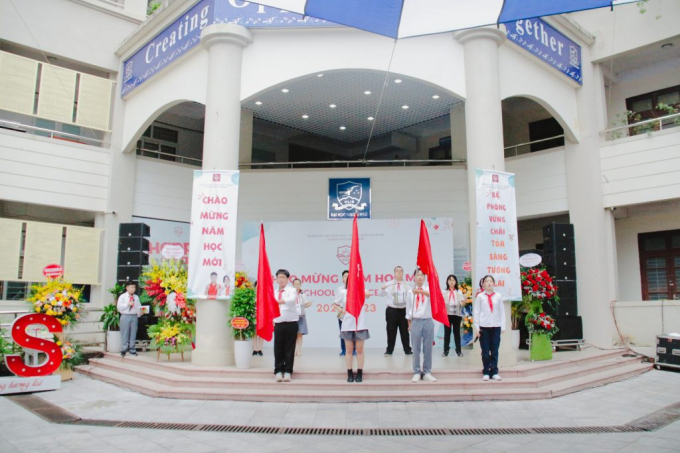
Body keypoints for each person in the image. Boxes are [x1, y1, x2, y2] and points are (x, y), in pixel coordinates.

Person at [473, 275, 506, 382]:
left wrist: (503, 326)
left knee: (495, 350)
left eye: (490, 281)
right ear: (483, 284)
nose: (488, 283)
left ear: (493, 283)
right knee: (485, 351)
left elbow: (502, 312)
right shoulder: (480, 297)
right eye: (486, 281)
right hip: (484, 327)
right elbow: (477, 312)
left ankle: (495, 371)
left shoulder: (498, 296)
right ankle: (486, 371)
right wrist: (477, 328)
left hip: (496, 326)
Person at [406, 268, 437, 383]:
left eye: (422, 275)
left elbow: (432, 296)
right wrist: (409, 323)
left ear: (425, 278)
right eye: (417, 275)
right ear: (414, 277)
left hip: (428, 321)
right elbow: (408, 309)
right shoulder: (410, 292)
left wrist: (420, 292)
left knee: (428, 348)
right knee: (416, 348)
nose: (419, 277)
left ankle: (427, 371)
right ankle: (417, 371)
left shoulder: (429, 289)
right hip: (416, 322)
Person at [378, 266, 413, 357]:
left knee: (405, 331)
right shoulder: (389, 284)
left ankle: (407, 350)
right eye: (397, 271)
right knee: (391, 330)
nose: (399, 272)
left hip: (403, 310)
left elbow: (411, 298)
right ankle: (389, 351)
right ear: (394, 273)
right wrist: (382, 288)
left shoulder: (408, 284)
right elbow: (380, 294)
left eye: (401, 271)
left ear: (403, 273)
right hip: (391, 310)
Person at [340, 287, 371, 384]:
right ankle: (349, 372)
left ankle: (359, 372)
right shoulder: (343, 292)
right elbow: (336, 304)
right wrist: (342, 310)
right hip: (347, 324)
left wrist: (358, 290)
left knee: (360, 350)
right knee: (349, 350)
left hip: (360, 324)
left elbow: (368, 294)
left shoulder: (361, 290)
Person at [273, 269, 298, 382]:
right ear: (276, 279)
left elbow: (291, 300)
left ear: (288, 279)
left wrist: (277, 301)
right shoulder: (274, 291)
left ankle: (288, 371)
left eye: (283, 277)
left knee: (289, 348)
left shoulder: (292, 290)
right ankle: (278, 370)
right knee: (278, 348)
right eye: (279, 277)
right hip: (278, 323)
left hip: (291, 323)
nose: (281, 279)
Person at [117, 281, 142, 358]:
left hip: (134, 316)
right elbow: (119, 307)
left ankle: (132, 349)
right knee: (125, 333)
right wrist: (127, 304)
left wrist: (141, 312)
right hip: (125, 315)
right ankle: (124, 349)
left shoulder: (136, 297)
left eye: (134, 287)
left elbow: (138, 307)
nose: (133, 289)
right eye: (131, 287)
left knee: (133, 333)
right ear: (127, 288)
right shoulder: (122, 297)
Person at [442, 274, 465, 357]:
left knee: (457, 333)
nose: (451, 282)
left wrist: (463, 302)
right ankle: (446, 350)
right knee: (447, 333)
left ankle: (458, 350)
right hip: (447, 314)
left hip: (457, 315)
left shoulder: (458, 291)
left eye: (453, 280)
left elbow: (462, 302)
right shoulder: (444, 291)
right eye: (450, 280)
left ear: (455, 282)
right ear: (447, 282)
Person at [293, 278, 312, 356]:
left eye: (298, 284)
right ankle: (293, 350)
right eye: (295, 284)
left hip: (301, 315)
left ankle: (299, 349)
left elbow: (306, 304)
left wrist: (308, 304)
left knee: (299, 333)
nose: (297, 285)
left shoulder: (303, 294)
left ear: (300, 285)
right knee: (292, 334)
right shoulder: (290, 294)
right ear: (293, 285)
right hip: (292, 316)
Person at [333, 270, 349, 356]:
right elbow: (336, 303)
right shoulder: (339, 289)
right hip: (342, 312)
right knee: (343, 332)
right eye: (345, 276)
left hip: (352, 313)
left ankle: (353, 350)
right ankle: (343, 349)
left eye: (349, 276)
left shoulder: (355, 287)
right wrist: (341, 310)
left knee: (352, 333)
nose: (347, 278)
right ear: (342, 278)